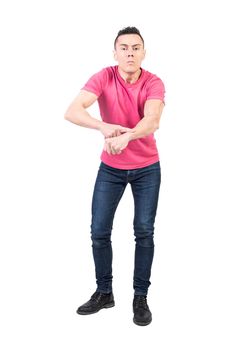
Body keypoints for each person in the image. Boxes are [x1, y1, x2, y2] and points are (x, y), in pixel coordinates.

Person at [64, 26, 165, 326]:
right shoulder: (104, 76)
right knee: (98, 231)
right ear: (115, 53)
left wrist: (128, 137)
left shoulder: (153, 82)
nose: (130, 53)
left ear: (143, 53)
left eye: (136, 48)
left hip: (147, 167)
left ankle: (140, 297)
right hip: (111, 168)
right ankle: (104, 292)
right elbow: (72, 110)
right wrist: (102, 127)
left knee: (144, 231)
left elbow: (153, 119)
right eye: (124, 48)